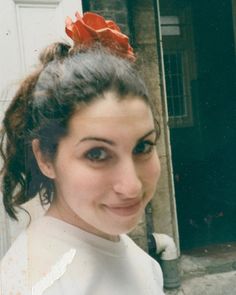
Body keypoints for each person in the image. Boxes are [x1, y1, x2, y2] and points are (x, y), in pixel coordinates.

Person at [0, 11, 164, 295]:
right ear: (45, 158)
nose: (132, 185)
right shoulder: (38, 284)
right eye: (97, 154)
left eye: (142, 147)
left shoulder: (128, 253)